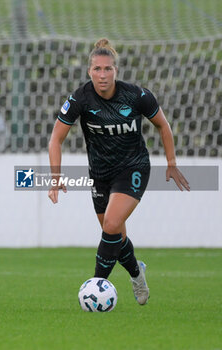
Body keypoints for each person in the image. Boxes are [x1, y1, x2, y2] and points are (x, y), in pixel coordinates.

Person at [48, 38, 190, 306]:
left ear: (116, 70)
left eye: (108, 69)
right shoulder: (80, 98)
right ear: (89, 71)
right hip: (100, 174)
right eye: (98, 69)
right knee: (116, 235)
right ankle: (137, 273)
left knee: (112, 225)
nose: (103, 75)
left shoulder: (137, 95)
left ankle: (95, 287)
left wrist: (171, 162)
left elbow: (163, 125)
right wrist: (56, 178)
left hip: (133, 167)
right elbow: (56, 138)